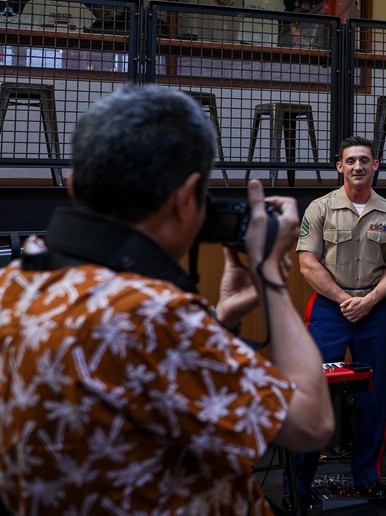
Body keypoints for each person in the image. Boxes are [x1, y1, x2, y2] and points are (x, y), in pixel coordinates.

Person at [0, 85, 333, 514]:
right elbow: (311, 424)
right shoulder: (151, 315)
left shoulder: (12, 283)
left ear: (72, 185)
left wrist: (223, 321)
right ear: (184, 197)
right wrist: (268, 274)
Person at [292, 136, 386, 505]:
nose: (358, 166)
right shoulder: (319, 208)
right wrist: (344, 299)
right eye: (350, 160)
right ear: (339, 166)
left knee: (372, 398)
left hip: (374, 309)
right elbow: (308, 263)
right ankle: (300, 485)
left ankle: (368, 477)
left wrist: (370, 299)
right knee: (312, 393)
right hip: (329, 309)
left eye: (364, 160)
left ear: (376, 165)